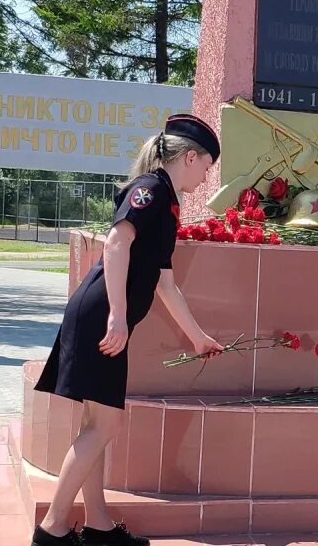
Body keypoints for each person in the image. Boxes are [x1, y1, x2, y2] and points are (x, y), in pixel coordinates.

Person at [31, 114, 225, 546]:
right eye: (207, 167)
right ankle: (53, 529)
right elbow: (116, 243)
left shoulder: (165, 199)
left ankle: (97, 526)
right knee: (105, 425)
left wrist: (196, 335)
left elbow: (164, 281)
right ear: (189, 157)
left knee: (96, 423)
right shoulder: (150, 190)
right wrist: (118, 315)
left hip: (103, 315)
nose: (206, 177)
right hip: (101, 315)